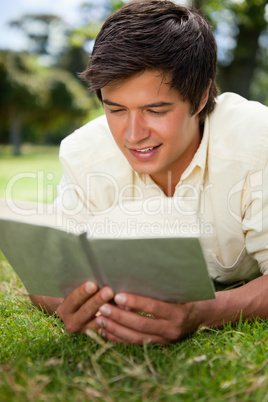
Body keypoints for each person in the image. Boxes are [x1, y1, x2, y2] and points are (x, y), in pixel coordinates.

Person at [30, 0, 268, 345]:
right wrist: (66, 302)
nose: (133, 134)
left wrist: (207, 312)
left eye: (156, 110)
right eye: (116, 109)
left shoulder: (255, 142)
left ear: (200, 98)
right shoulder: (84, 154)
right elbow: (49, 275)